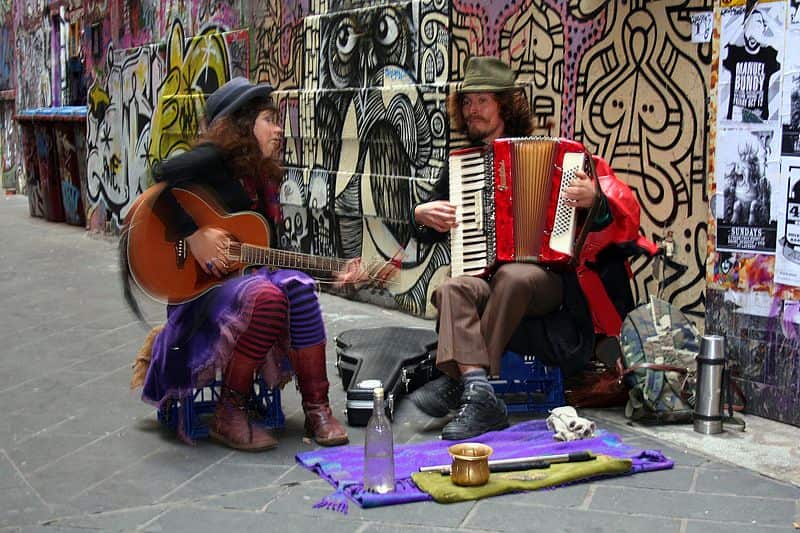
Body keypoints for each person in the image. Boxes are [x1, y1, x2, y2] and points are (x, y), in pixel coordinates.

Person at [408, 56, 657, 441]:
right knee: (451, 288)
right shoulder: (460, 168)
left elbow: (616, 221)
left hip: (550, 285)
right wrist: (422, 214)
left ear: (504, 105)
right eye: (467, 102)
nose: (472, 110)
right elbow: (426, 234)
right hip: (487, 278)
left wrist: (594, 201)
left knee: (514, 275)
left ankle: (461, 383)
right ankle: (479, 389)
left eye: (482, 101)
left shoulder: (560, 157)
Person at [136, 77, 349, 451]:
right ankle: (228, 412)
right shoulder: (213, 159)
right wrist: (193, 235)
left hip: (240, 282)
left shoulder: (260, 179)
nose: (279, 129)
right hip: (201, 292)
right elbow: (160, 178)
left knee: (297, 285)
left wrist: (334, 273)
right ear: (241, 125)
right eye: (269, 119)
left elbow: (269, 253)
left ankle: (318, 408)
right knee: (265, 295)